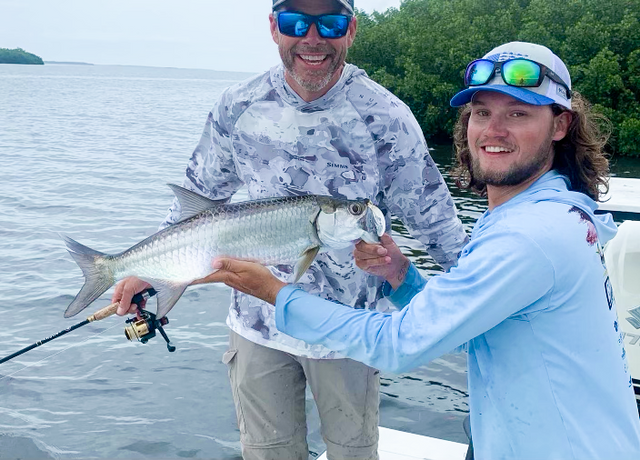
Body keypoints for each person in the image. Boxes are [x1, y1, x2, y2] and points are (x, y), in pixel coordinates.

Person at [204, 41, 640, 459]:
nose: (493, 130)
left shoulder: (529, 237)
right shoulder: (547, 214)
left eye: (519, 114)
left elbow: (399, 344)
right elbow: (472, 333)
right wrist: (402, 277)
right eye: (482, 112)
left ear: (560, 125)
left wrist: (276, 294)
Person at [112, 1, 468, 459]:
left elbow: (436, 220)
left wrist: (489, 296)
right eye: (296, 22)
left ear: (352, 30)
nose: (313, 38)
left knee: (353, 453)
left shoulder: (386, 116)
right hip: (257, 325)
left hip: (351, 331)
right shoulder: (238, 105)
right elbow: (196, 195)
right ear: (273, 28)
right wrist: (149, 269)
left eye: (331, 22)